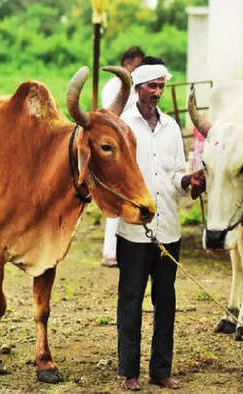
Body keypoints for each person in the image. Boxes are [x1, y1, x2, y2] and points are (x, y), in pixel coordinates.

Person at [115, 56, 205, 391]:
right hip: (134, 231)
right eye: (152, 86)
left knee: (165, 302)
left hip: (169, 230)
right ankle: (129, 372)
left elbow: (175, 174)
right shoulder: (123, 126)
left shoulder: (170, 128)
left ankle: (161, 371)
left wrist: (190, 181)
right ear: (137, 87)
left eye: (161, 86)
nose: (157, 92)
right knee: (131, 299)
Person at [101, 46, 145, 268]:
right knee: (116, 198)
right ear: (127, 65)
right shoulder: (115, 87)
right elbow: (112, 116)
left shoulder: (133, 86)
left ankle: (122, 249)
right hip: (115, 149)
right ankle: (110, 251)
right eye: (136, 66)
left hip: (127, 147)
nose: (138, 70)